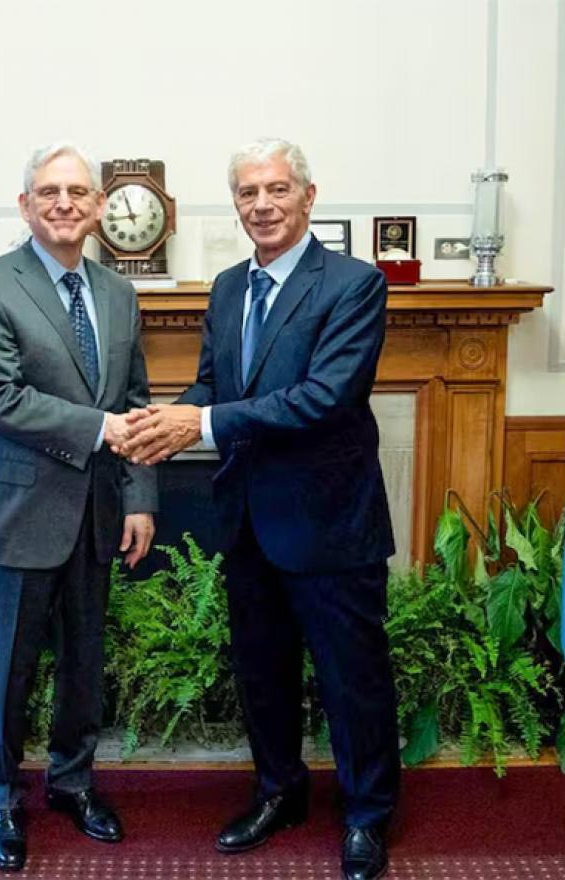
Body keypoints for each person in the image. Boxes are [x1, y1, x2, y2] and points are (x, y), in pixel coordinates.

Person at [117, 138, 399, 880]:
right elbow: (216, 387)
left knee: (353, 681)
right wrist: (166, 422)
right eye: (248, 193)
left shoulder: (354, 285)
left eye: (277, 190)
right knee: (263, 675)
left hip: (331, 524)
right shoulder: (228, 289)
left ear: (309, 196)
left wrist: (198, 426)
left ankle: (368, 815)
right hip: (248, 521)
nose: (262, 205)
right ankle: (280, 792)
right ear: (235, 203)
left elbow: (324, 399)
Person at [0, 142, 157, 873]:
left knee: (83, 665)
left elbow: (133, 403)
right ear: (26, 206)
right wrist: (98, 430)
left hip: (99, 514)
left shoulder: (118, 295)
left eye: (78, 191)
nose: (65, 202)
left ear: (100, 206)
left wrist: (138, 498)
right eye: (49, 192)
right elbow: (0, 399)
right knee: (7, 669)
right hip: (15, 517)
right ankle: (2, 795)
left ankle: (73, 783)